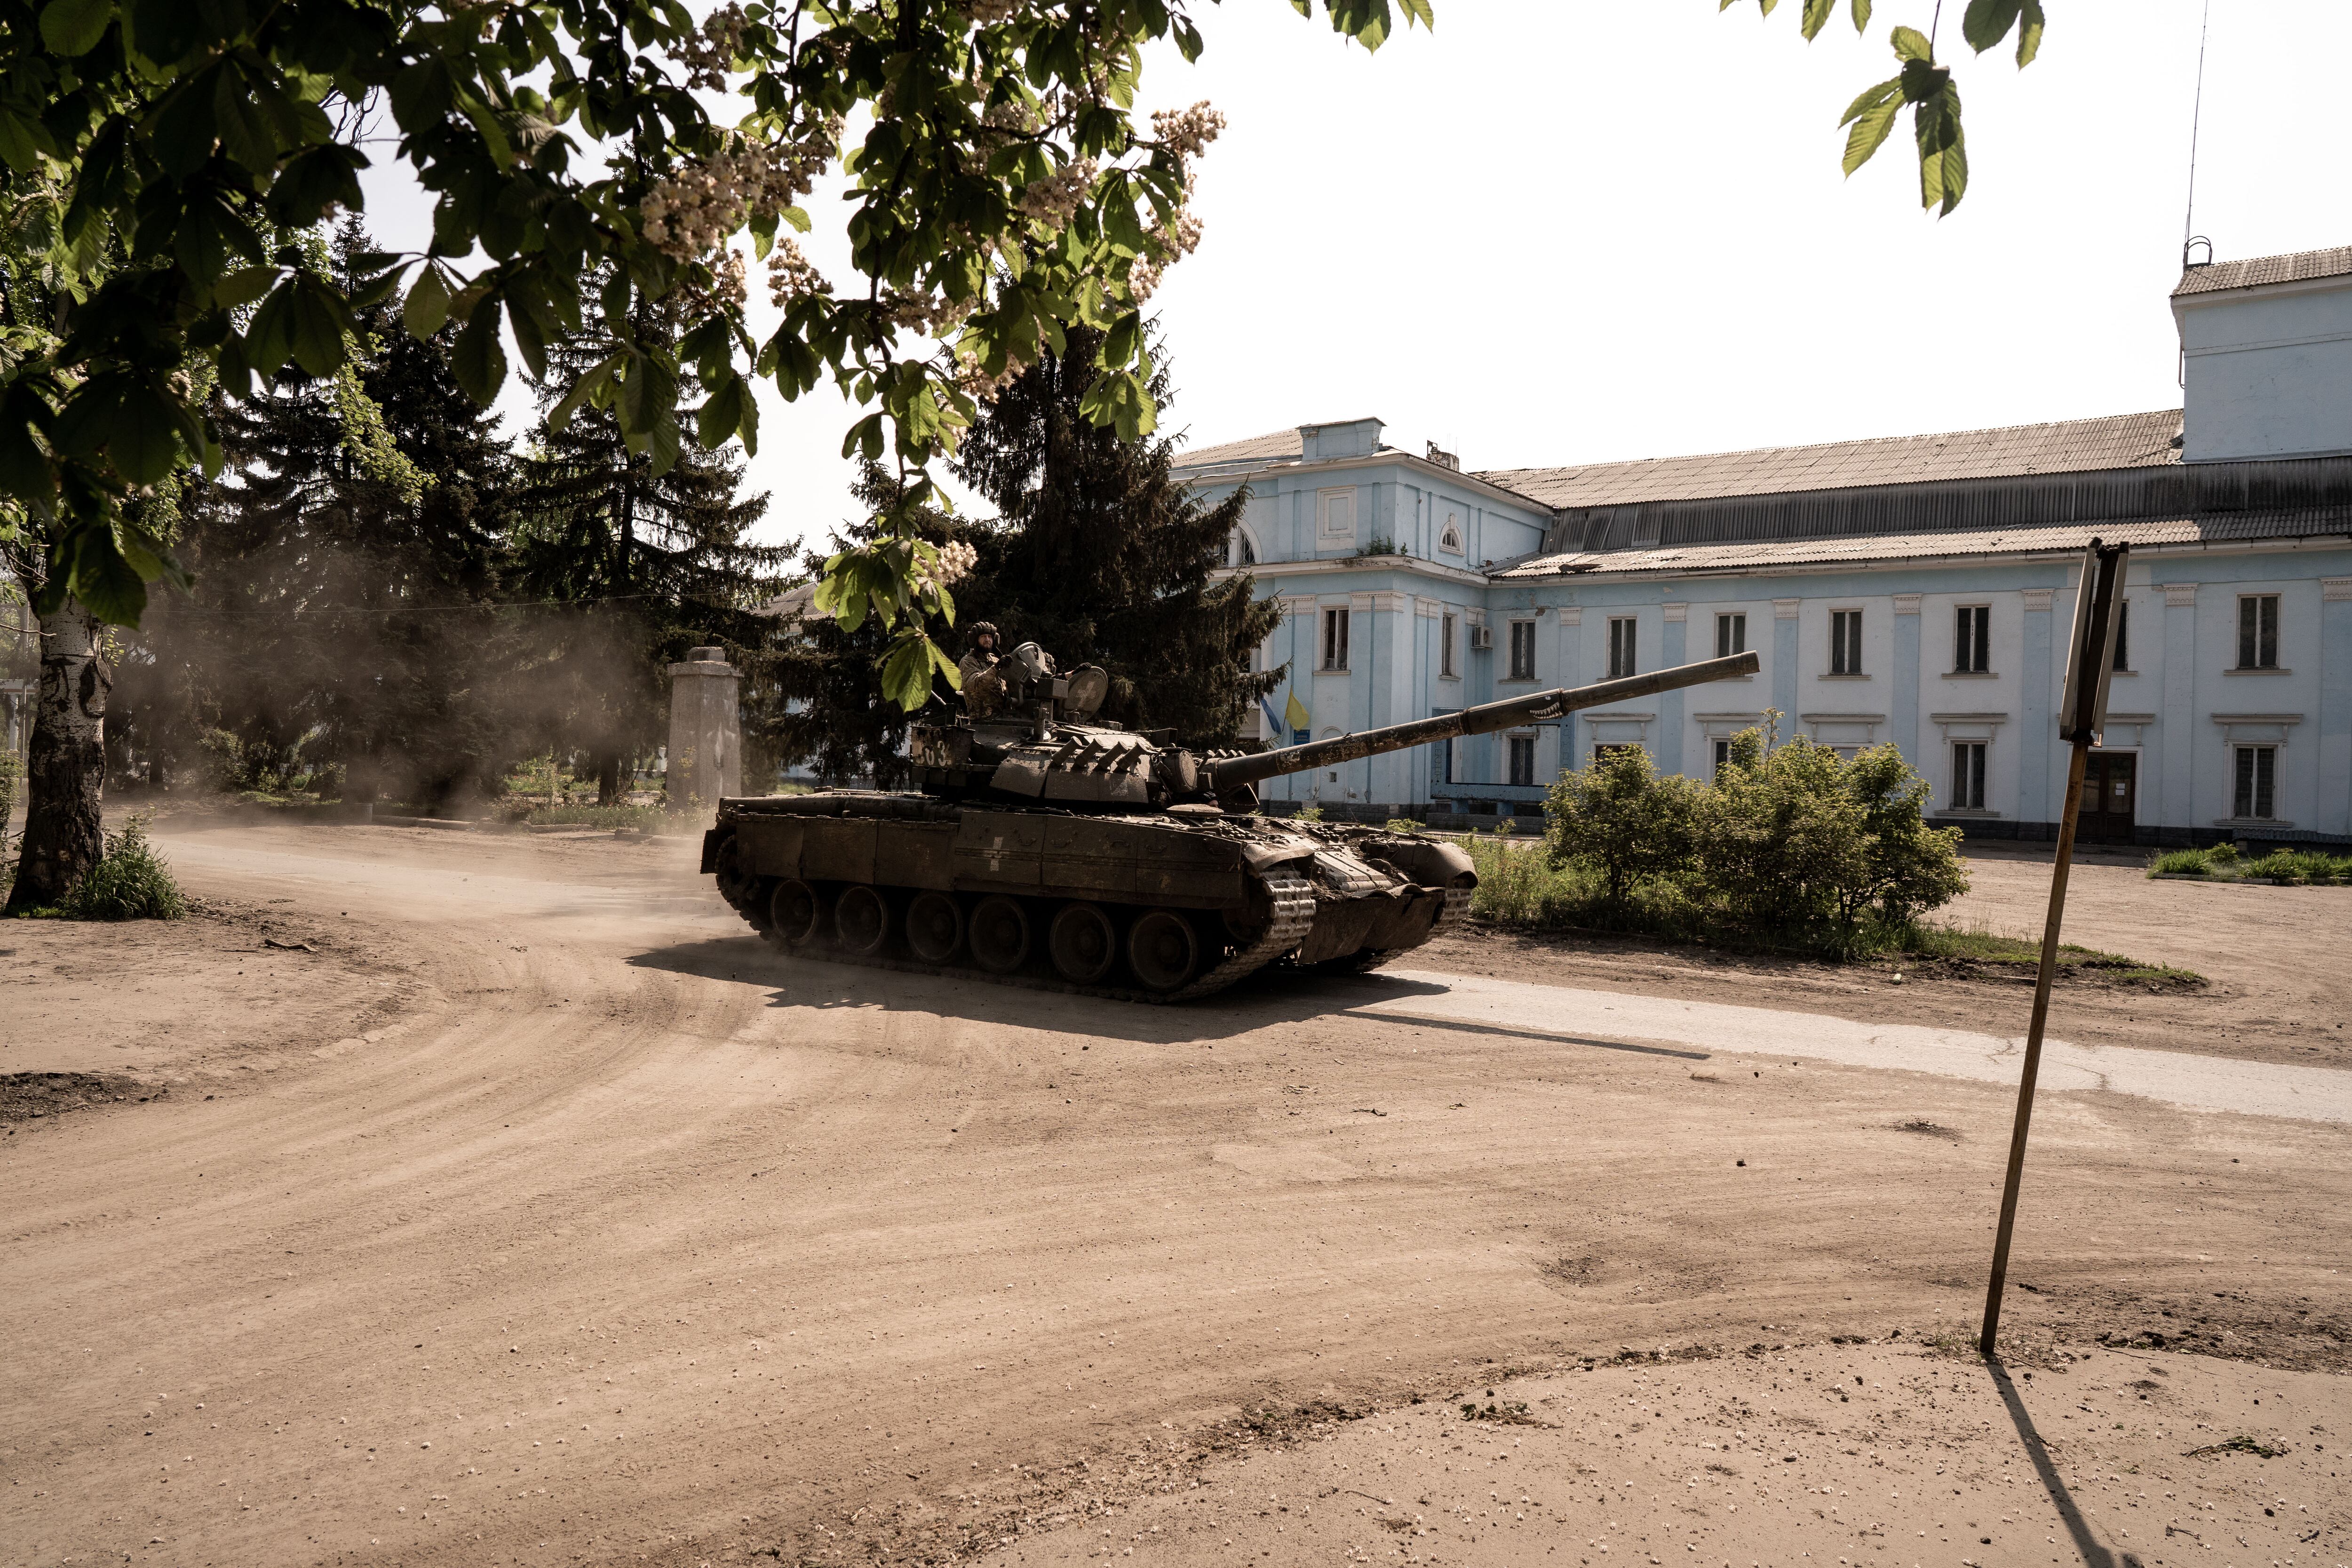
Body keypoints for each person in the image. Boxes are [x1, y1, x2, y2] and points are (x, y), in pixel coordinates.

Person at [958, 622, 1006, 717]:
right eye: (983, 637)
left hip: (1003, 717)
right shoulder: (968, 661)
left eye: (990, 637)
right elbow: (974, 684)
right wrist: (996, 668)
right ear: (975, 640)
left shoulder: (996, 660)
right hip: (982, 720)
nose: (988, 640)